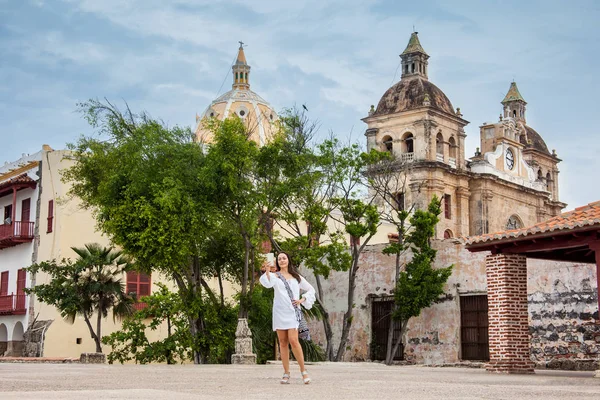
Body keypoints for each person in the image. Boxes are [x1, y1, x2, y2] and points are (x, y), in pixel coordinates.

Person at [260, 252, 316, 384]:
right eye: (279, 259)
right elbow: (267, 283)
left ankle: (303, 371)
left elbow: (311, 290)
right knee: (283, 342)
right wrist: (267, 271)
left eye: (284, 258)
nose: (282, 260)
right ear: (277, 262)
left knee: (294, 340)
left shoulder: (296, 277)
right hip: (279, 312)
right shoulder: (275, 276)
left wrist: (302, 300)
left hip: (292, 312)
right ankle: (286, 373)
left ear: (288, 260)